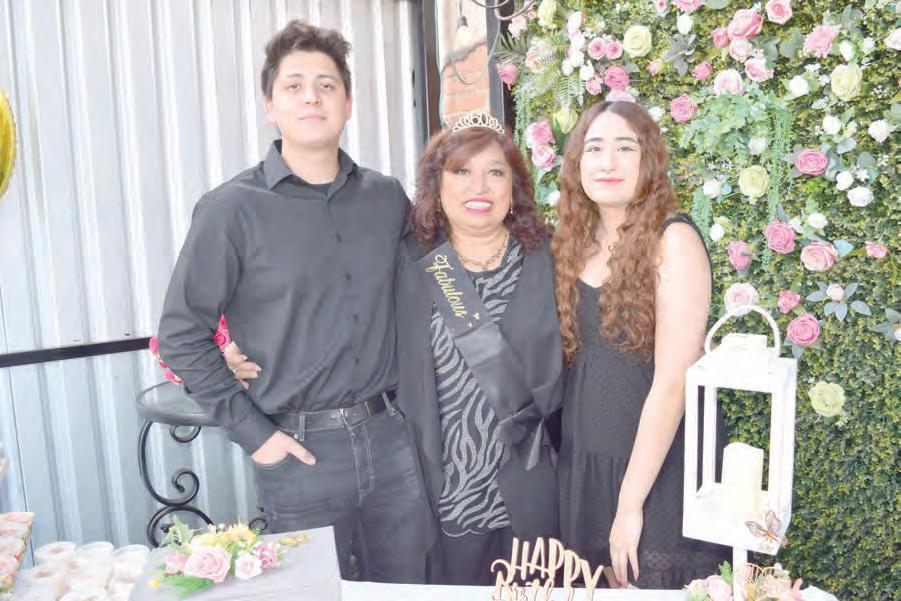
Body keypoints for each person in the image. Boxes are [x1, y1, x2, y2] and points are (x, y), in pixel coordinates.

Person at [156, 20, 429, 583]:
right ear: (270, 105)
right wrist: (255, 436)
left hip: (391, 440)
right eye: (294, 85)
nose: (312, 97)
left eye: (327, 86)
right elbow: (182, 334)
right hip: (299, 455)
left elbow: (427, 293)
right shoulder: (231, 210)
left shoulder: (385, 198)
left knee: (405, 589)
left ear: (348, 104)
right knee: (309, 591)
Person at [553, 101, 729, 588]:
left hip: (657, 473)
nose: (607, 162)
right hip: (586, 467)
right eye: (594, 148)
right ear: (577, 163)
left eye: (625, 148)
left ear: (648, 159)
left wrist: (629, 506)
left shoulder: (673, 241)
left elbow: (673, 383)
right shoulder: (573, 243)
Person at [395, 112, 563, 585]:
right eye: (462, 171)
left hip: (534, 486)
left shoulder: (552, 257)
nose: (479, 187)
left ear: (514, 186)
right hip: (447, 492)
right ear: (437, 185)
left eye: (495, 172)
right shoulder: (408, 265)